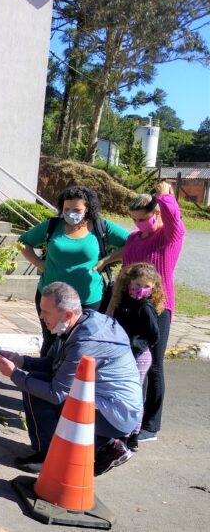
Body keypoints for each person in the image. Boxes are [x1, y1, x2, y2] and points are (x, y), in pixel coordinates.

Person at [0, 282, 142, 476]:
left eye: (46, 312)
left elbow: (56, 393)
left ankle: (53, 455)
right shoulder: (80, 323)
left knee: (36, 390)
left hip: (114, 414)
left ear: (68, 315)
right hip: (109, 406)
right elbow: (53, 364)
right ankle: (97, 446)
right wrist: (20, 361)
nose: (41, 316)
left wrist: (14, 374)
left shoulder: (85, 342)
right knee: (35, 382)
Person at [98, 182, 185, 444]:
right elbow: (126, 264)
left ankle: (151, 425)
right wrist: (112, 305)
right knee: (133, 363)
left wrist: (166, 195)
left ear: (157, 213)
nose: (139, 224)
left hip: (157, 308)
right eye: (135, 219)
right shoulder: (135, 239)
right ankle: (131, 417)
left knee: (154, 365)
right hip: (129, 308)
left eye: (144, 218)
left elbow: (174, 218)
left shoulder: (169, 237)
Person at [18, 186, 130, 356]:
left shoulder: (101, 226)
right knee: (51, 342)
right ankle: (45, 379)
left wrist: (107, 260)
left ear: (88, 209)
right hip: (51, 298)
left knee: (83, 344)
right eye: (66, 209)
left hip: (89, 299)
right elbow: (23, 242)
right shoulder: (53, 226)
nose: (71, 213)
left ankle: (73, 381)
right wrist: (39, 263)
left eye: (76, 209)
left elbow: (132, 243)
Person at [109, 262, 165, 452]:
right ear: (129, 282)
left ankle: (133, 434)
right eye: (137, 285)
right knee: (121, 392)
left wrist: (137, 346)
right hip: (122, 354)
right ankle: (119, 429)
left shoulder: (146, 307)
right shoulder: (123, 301)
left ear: (153, 288)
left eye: (146, 286)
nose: (141, 290)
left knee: (134, 395)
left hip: (139, 356)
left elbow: (154, 335)